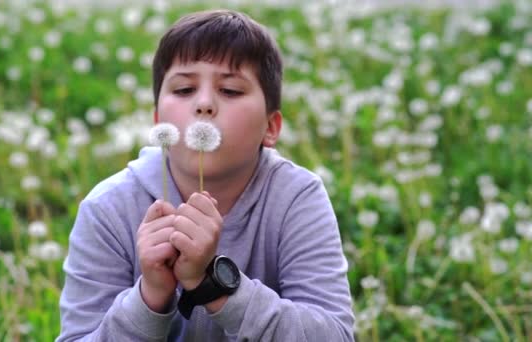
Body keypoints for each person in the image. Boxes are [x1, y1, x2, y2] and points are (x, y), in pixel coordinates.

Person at [57, 9, 354, 342]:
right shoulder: (109, 207)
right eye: (184, 90)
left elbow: (335, 335)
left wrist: (215, 286)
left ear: (271, 128)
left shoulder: (297, 199)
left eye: (230, 91)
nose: (204, 103)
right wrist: (150, 295)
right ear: (159, 121)